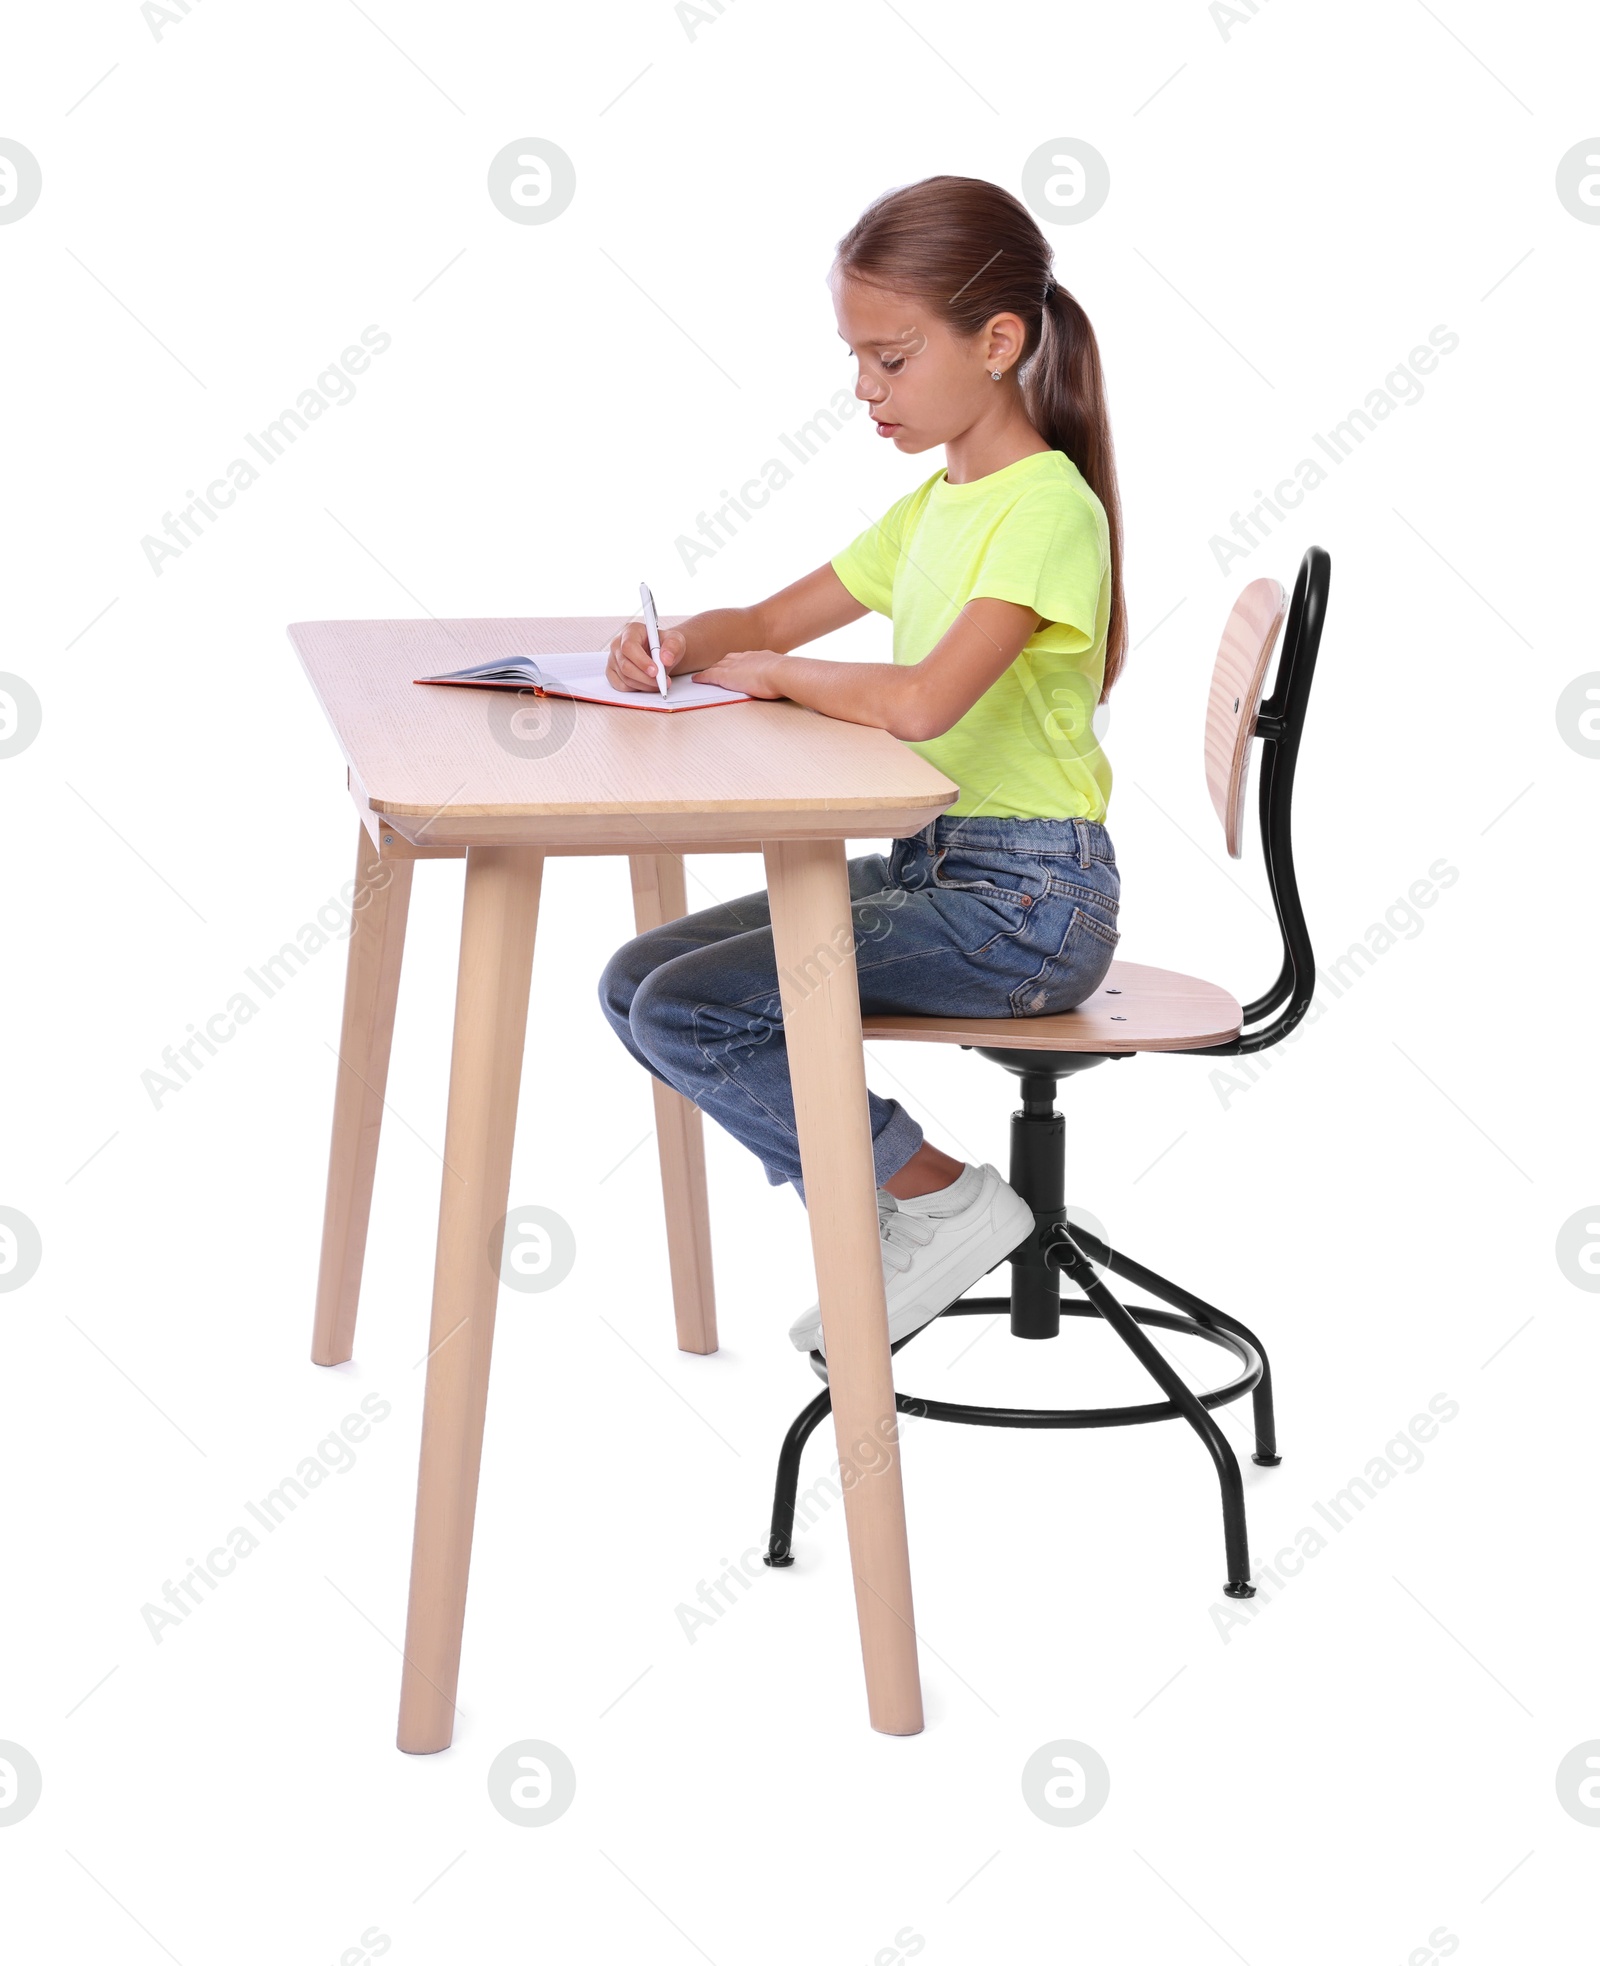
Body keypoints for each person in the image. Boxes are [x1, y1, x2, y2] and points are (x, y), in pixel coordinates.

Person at [598, 173, 1126, 1358]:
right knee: (640, 982)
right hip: (939, 873)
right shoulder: (934, 504)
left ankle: (933, 1198)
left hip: (1027, 905)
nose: (863, 389)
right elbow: (774, 620)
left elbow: (922, 700)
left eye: (889, 359)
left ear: (998, 343)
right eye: (854, 358)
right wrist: (687, 640)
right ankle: (905, 1206)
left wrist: (780, 680)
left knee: (692, 1011)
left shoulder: (1046, 512)